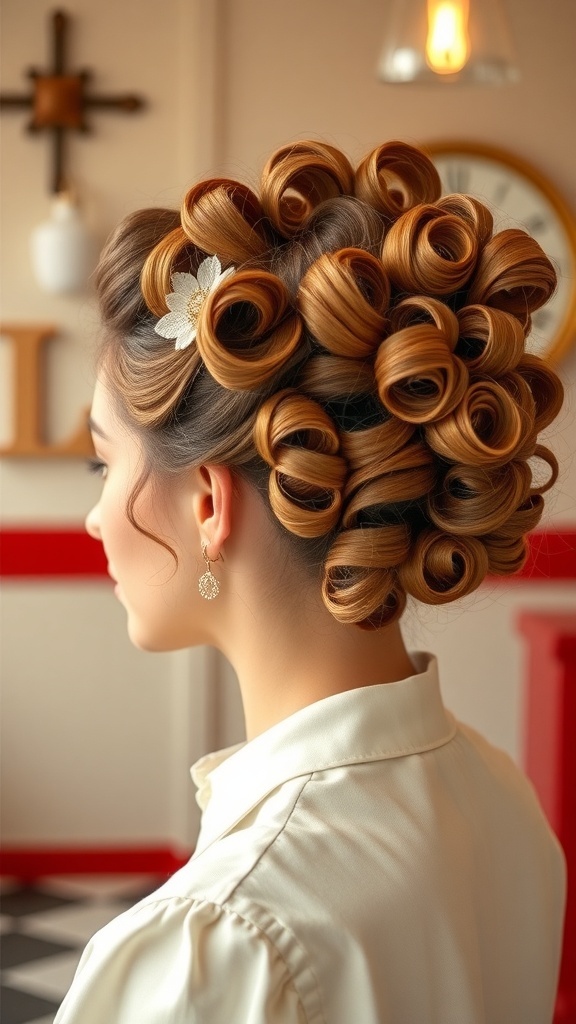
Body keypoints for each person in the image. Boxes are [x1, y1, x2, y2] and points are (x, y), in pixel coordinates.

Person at [55, 139, 566, 1024]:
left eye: (104, 465)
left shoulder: (217, 944)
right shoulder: (502, 801)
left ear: (209, 503)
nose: (96, 518)